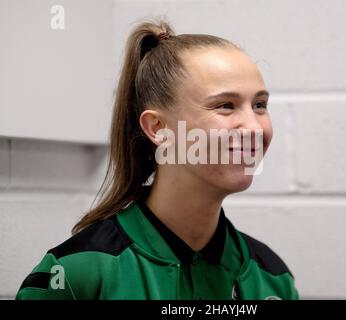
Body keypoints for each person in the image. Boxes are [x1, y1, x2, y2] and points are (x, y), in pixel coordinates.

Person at [15, 19, 299, 300]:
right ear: (159, 129)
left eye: (260, 105)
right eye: (226, 106)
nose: (254, 128)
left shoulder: (272, 278)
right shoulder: (75, 275)